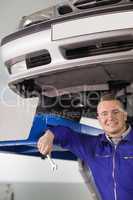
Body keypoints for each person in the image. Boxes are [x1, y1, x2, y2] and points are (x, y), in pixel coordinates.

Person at [37, 93, 133, 200]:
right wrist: (50, 134)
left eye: (115, 112)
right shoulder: (93, 147)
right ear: (99, 119)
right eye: (104, 114)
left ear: (124, 115)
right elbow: (66, 135)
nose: (110, 117)